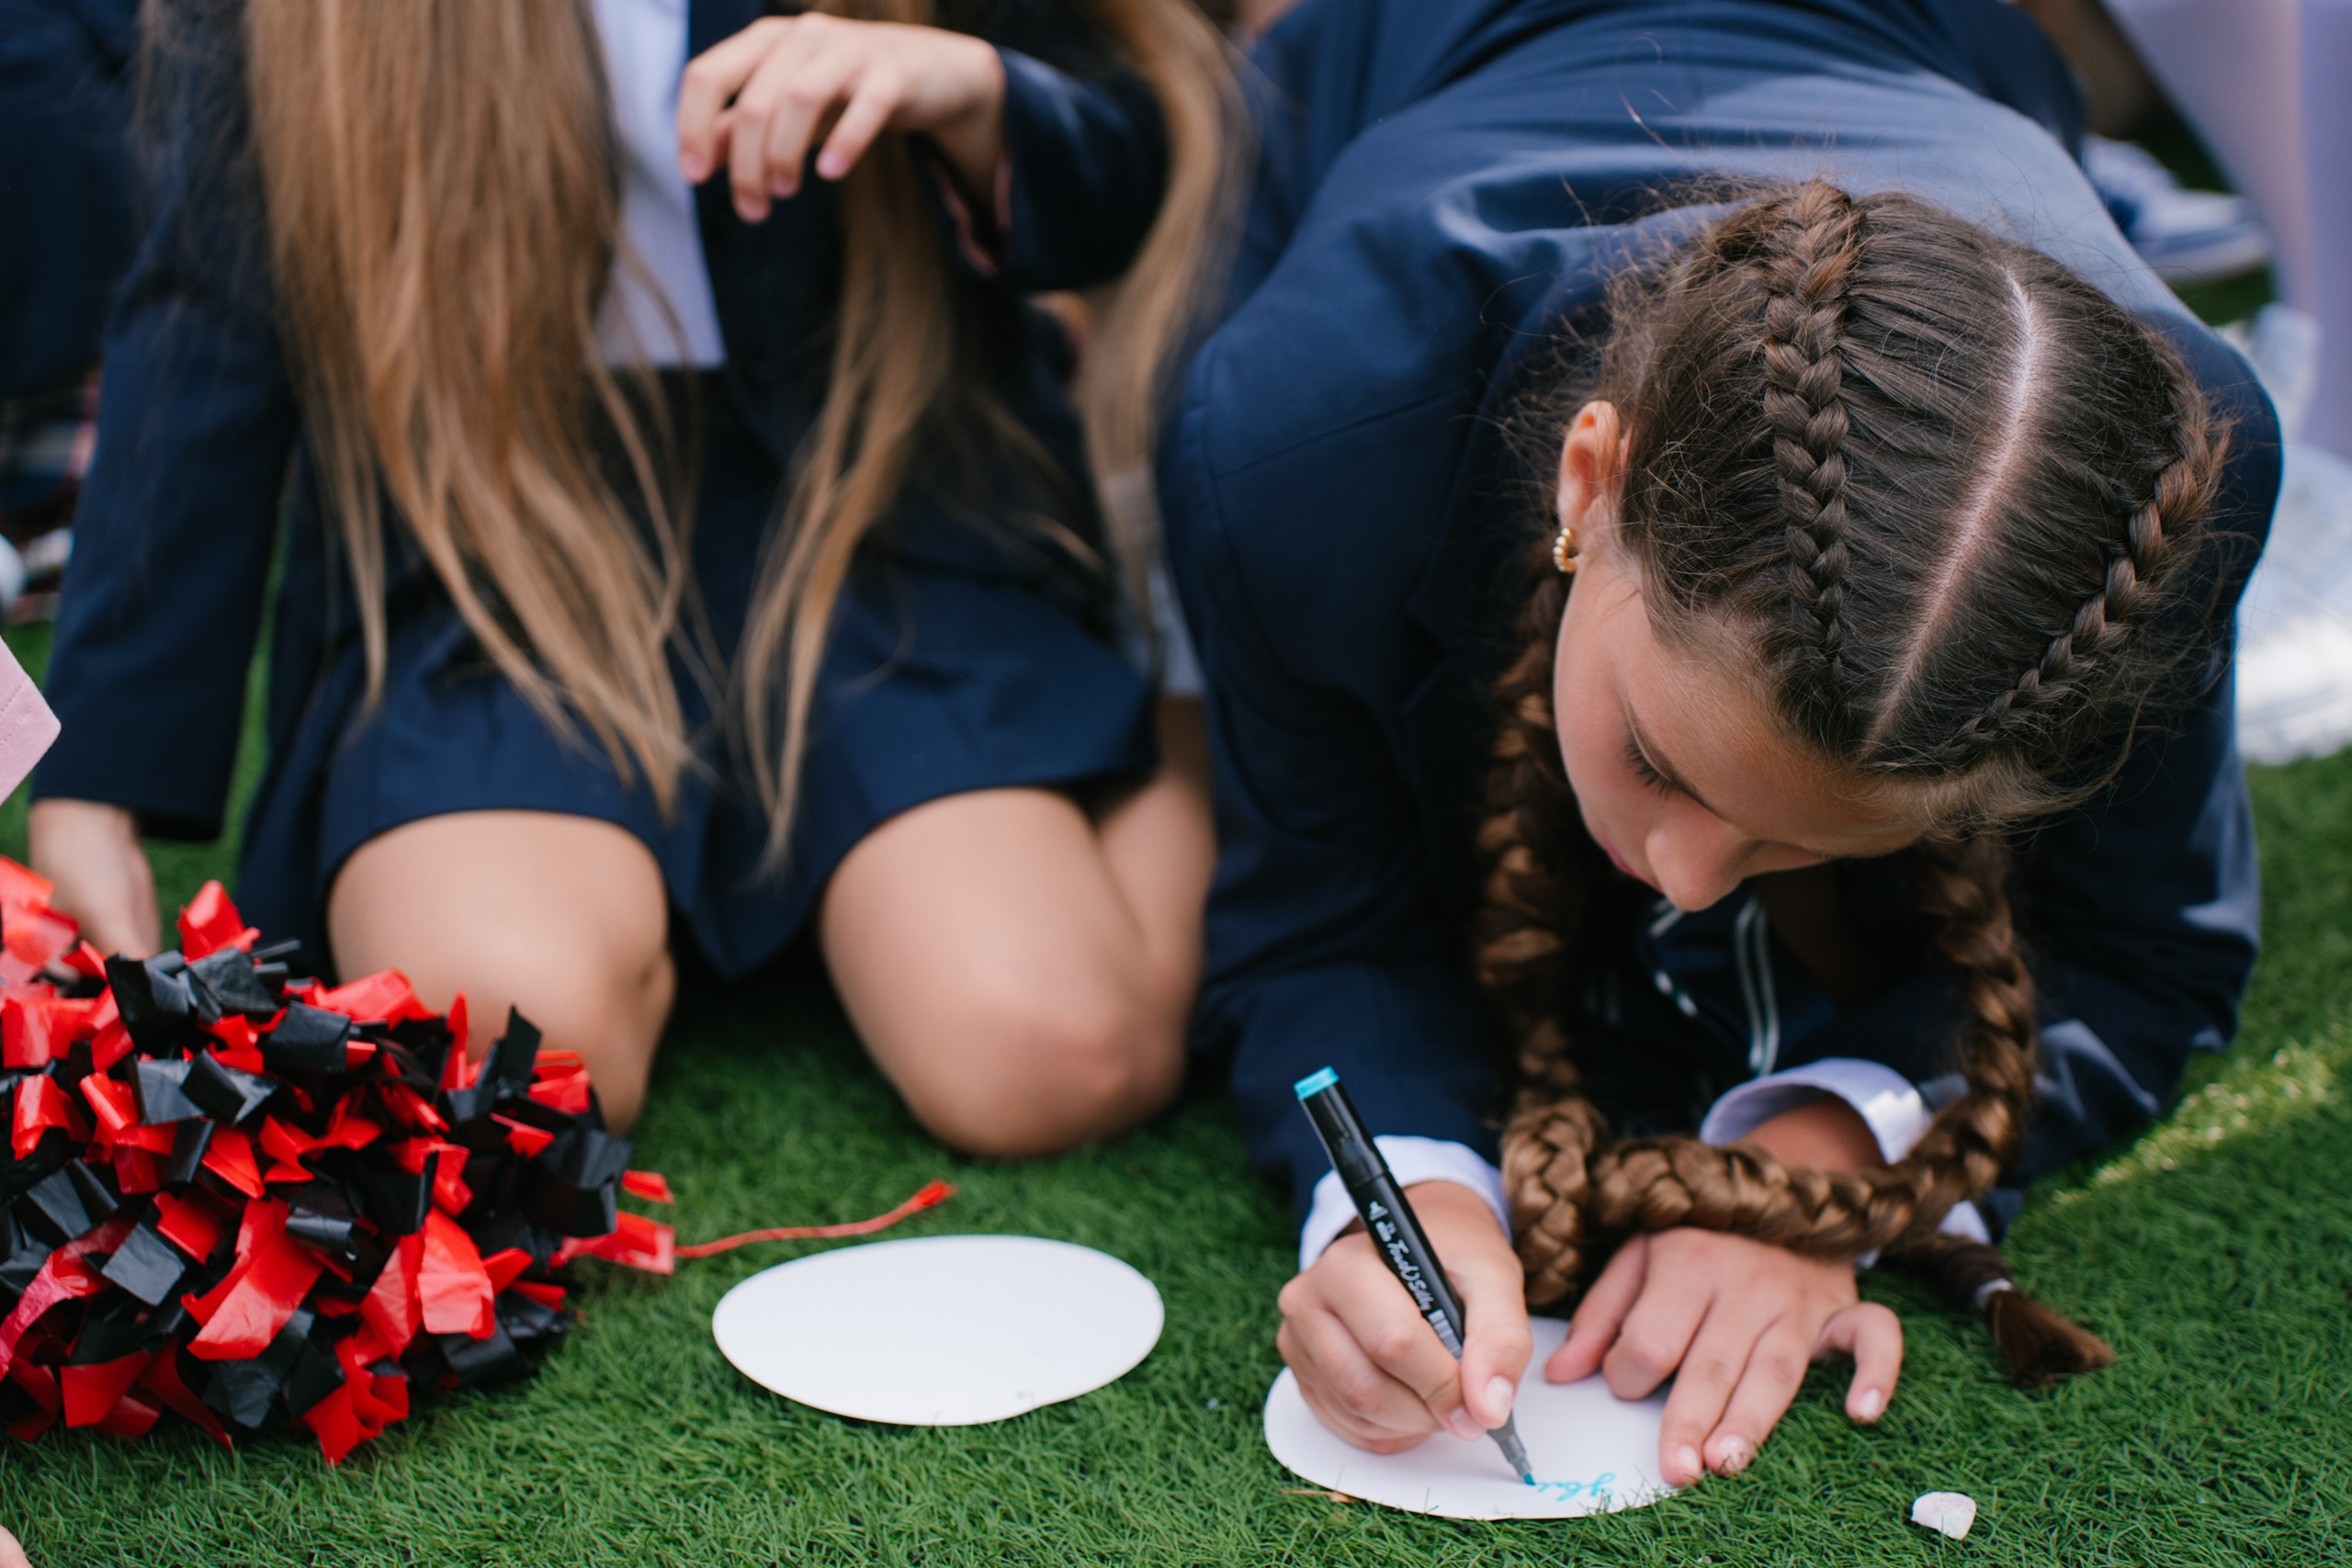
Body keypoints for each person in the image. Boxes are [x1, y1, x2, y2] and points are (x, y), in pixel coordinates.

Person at [1165, 0, 2278, 1486]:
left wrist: (1820, 1164)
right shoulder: (1289, 443)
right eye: (1662, 765)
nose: (1685, 883)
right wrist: (1410, 1193)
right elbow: (1316, 918)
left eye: (1805, 836)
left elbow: (2147, 947)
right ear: (1590, 483)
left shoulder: (2169, 491)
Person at [28, 0, 1235, 1154]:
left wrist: (974, 95)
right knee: (509, 1056)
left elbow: (1124, 169)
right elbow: (205, 308)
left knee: (1052, 1052)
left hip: (865, 496)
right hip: (494, 531)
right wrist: (99, 770)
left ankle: (1181, 670)